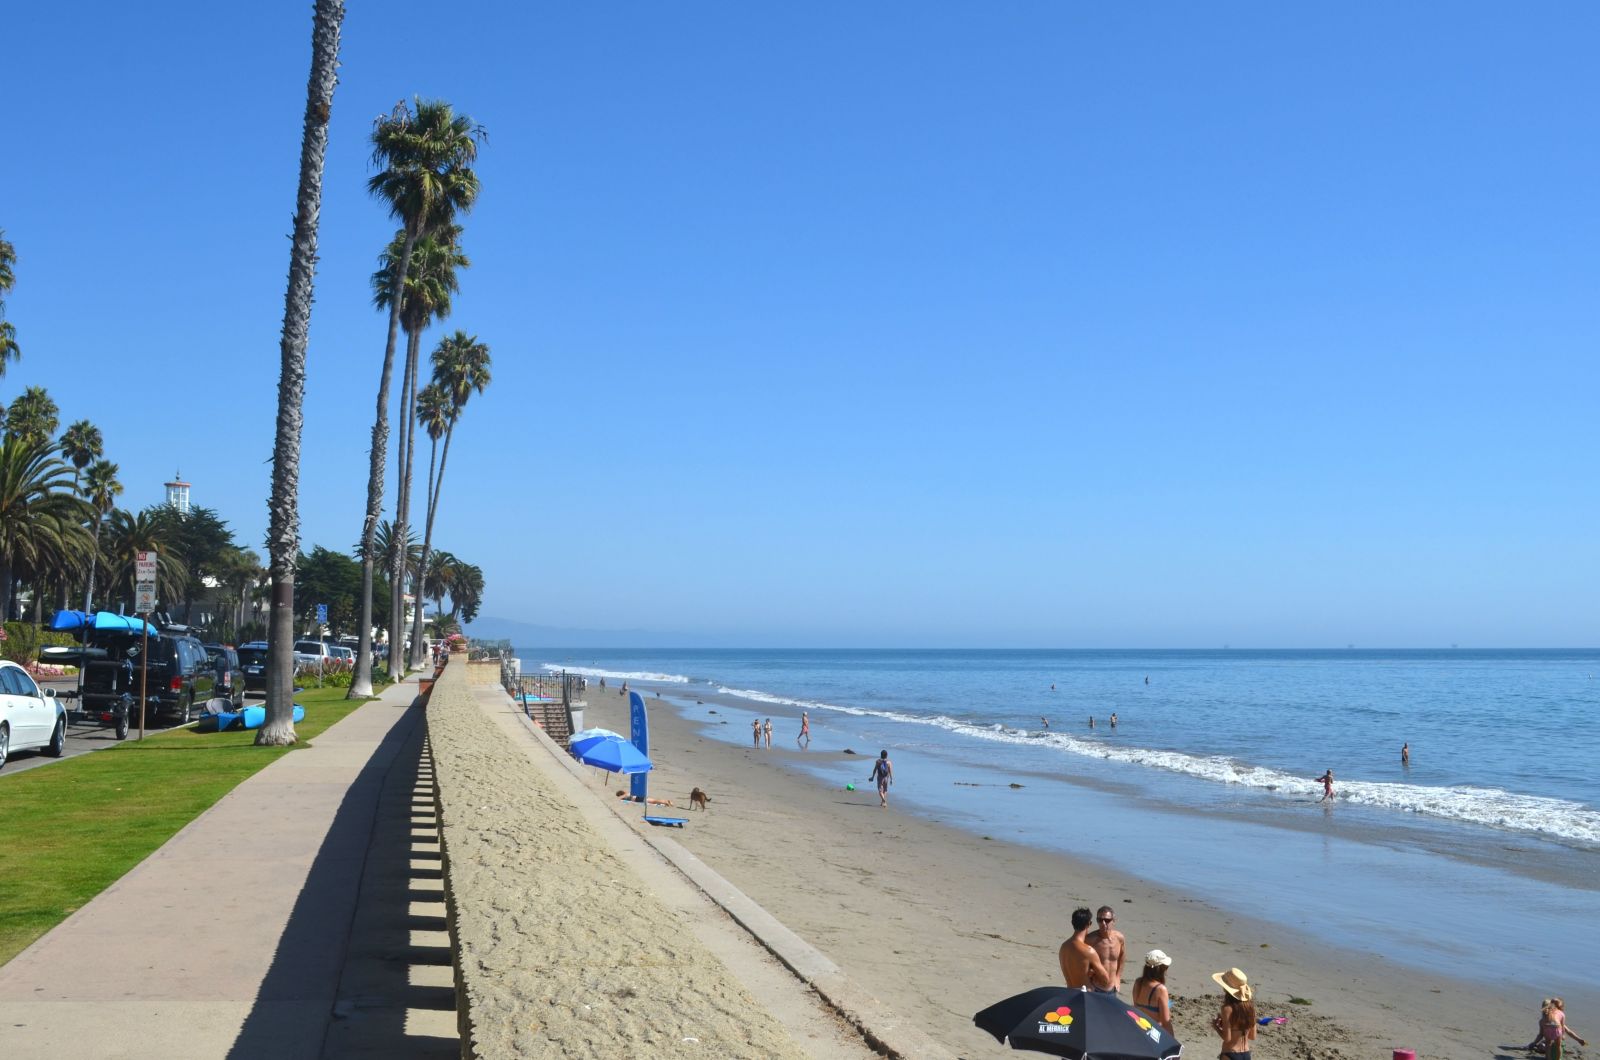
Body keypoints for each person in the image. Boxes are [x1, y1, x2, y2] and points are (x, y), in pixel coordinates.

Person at [1057, 908, 1113, 990]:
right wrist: (1093, 973)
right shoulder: (1088, 951)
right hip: (1084, 995)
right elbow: (1105, 980)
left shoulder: (1064, 947)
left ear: (1073, 923)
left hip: (1069, 992)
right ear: (1089, 924)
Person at [1211, 967, 1257, 1059]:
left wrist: (1216, 1027)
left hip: (1230, 1053)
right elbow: (1252, 1036)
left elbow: (1227, 1039)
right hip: (1246, 1055)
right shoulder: (1251, 1009)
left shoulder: (1227, 1009)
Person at [1131, 949, 1174, 1037]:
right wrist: (1172, 1042)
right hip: (1153, 1033)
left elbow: (1136, 1007)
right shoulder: (1160, 989)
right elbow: (1165, 1022)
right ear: (1162, 969)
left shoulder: (1138, 982)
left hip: (1139, 1029)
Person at [1086, 906, 1126, 988]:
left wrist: (1118, 977)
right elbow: (1082, 960)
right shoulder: (1090, 939)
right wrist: (1089, 970)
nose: (1103, 923)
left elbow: (1122, 956)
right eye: (1100, 920)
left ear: (1113, 921)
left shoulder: (1119, 938)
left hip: (1112, 987)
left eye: (1107, 920)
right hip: (1095, 987)